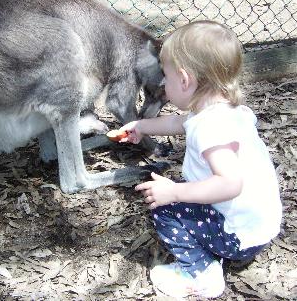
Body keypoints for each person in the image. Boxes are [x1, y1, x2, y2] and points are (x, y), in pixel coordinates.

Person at [119, 20, 282, 298]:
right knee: (180, 192)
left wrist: (175, 192)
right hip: (259, 226)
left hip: (239, 235)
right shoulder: (223, 112)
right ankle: (215, 246)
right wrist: (141, 126)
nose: (165, 84)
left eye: (166, 78)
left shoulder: (210, 128)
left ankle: (201, 273)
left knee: (165, 207)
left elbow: (230, 183)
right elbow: (178, 123)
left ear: (184, 80)